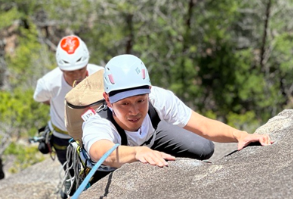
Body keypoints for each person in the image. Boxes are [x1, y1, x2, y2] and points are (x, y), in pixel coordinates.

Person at [83, 55, 271, 170]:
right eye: (124, 103)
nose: (134, 110)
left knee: (204, 147)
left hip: (150, 140)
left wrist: (240, 135)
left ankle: (152, 152)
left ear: (149, 91)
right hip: (114, 161)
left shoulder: (158, 98)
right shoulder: (99, 122)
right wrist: (137, 153)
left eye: (141, 100)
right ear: (108, 100)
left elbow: (204, 126)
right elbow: (101, 152)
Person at [34, 35, 104, 166]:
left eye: (81, 69)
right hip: (63, 136)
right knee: (71, 170)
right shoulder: (49, 83)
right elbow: (41, 98)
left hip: (95, 131)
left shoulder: (100, 74)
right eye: (70, 72)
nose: (77, 75)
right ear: (61, 69)